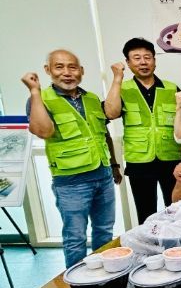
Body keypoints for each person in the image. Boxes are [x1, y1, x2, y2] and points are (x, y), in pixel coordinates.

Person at [22, 50, 116, 268]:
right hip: (71, 182)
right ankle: (78, 282)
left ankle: (106, 275)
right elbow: (43, 131)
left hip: (103, 176)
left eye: (72, 67)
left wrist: (114, 165)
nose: (67, 72)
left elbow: (103, 134)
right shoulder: (41, 99)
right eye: (59, 67)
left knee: (104, 231)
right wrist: (34, 91)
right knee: (75, 237)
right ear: (48, 70)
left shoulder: (91, 98)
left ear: (81, 71)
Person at [103, 38, 181, 224]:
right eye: (137, 58)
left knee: (177, 210)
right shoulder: (122, 88)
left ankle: (176, 242)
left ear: (154, 60)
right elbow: (111, 113)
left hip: (170, 158)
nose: (143, 62)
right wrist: (117, 79)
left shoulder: (171, 88)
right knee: (146, 212)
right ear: (128, 63)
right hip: (139, 161)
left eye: (147, 57)